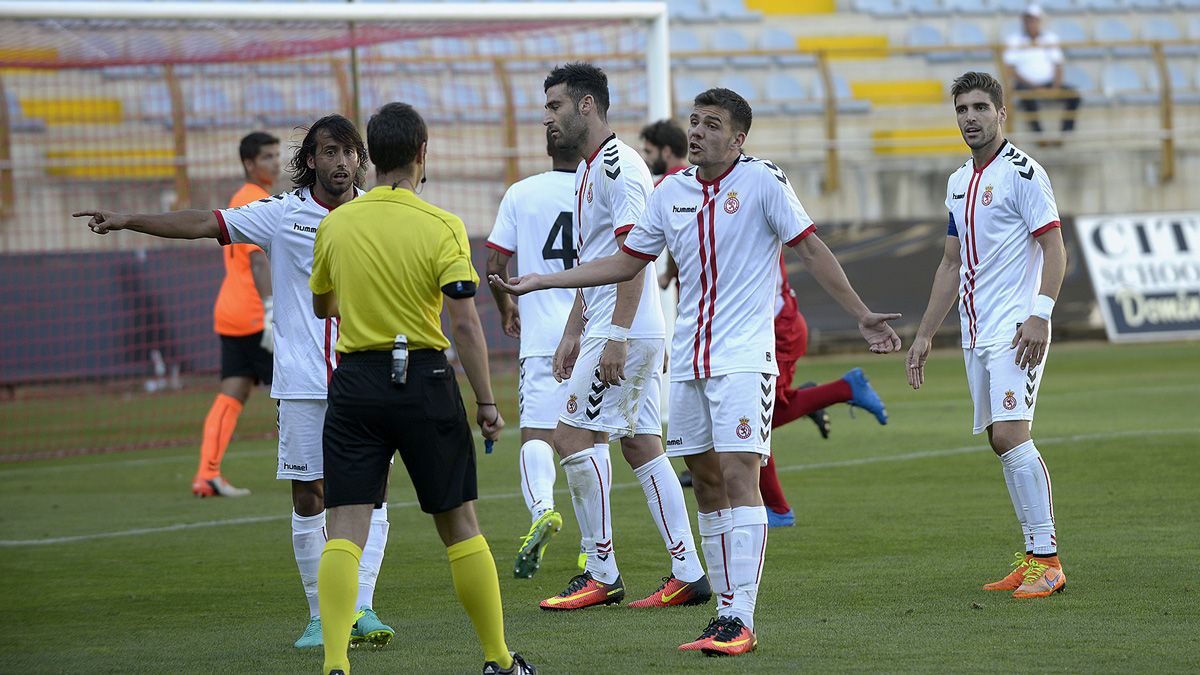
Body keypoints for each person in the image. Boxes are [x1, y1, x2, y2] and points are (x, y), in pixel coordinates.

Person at [492, 87, 901, 656]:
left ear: (738, 139)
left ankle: (740, 617)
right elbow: (627, 262)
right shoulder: (671, 193)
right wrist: (544, 281)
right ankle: (719, 610)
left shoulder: (764, 182)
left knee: (739, 476)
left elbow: (811, 250)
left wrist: (861, 316)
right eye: (695, 121)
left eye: (712, 124)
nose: (699, 131)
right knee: (707, 483)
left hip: (743, 358)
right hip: (688, 361)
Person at [74, 115, 395, 649]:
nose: (341, 162)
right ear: (310, 160)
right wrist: (128, 219)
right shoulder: (281, 215)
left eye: (349, 153)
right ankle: (320, 616)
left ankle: (361, 607)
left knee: (372, 495)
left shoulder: (378, 215)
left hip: (367, 377)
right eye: (330, 152)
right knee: (310, 495)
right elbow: (205, 222)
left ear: (361, 160)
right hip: (300, 382)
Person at [309, 102, 535, 675]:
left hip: (355, 382)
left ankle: (336, 663)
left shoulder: (336, 223)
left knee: (345, 525)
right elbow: (464, 323)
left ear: (368, 158)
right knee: (459, 523)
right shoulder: (441, 225)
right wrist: (486, 401)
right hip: (424, 379)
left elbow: (323, 304)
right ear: (421, 154)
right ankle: (499, 659)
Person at [537, 62, 710, 611]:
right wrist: (573, 327)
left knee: (570, 438)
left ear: (587, 106)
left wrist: (614, 335)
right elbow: (599, 259)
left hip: (625, 328)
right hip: (619, 324)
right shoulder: (592, 169)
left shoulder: (617, 166)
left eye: (556, 106)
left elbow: (636, 255)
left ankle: (601, 569)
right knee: (639, 443)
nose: (549, 118)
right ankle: (687, 570)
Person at [906, 71, 1067, 600]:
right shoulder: (958, 182)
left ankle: (1048, 559)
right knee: (1001, 442)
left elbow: (1054, 247)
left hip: (1017, 329)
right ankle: (1032, 555)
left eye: (980, 107)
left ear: (1002, 113)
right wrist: (926, 334)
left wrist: (1040, 314)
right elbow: (951, 263)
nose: (970, 117)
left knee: (1010, 435)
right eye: (962, 109)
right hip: (977, 332)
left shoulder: (1023, 173)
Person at [485, 129, 581, 579]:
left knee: (537, 436)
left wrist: (508, 306)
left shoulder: (522, 193)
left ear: (548, 149)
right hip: (593, 333)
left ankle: (543, 508)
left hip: (544, 336)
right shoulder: (599, 188)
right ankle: (594, 550)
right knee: (591, 440)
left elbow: (495, 266)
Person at [757, 254, 890, 528]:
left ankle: (778, 509)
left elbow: (812, 250)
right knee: (749, 417)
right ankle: (841, 389)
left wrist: (862, 314)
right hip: (763, 331)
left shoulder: (755, 212)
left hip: (777, 331)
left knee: (753, 419)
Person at [191, 131, 280, 499]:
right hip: (257, 316)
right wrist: (272, 310)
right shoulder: (258, 201)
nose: (275, 162)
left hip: (230, 313)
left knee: (233, 391)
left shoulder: (238, 199)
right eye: (267, 157)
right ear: (249, 164)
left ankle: (206, 474)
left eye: (277, 155)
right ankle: (320, 467)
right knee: (302, 392)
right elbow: (258, 261)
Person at [1003, 4, 1081, 141]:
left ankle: (1065, 134)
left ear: (1039, 21)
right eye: (1028, 20)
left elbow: (1058, 65)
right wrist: (1034, 86)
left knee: (1074, 95)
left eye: (1033, 20)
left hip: (1048, 82)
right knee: (1027, 96)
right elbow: (1010, 70)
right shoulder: (1014, 40)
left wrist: (1055, 86)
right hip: (1025, 83)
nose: (1030, 24)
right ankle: (1039, 135)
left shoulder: (1050, 38)